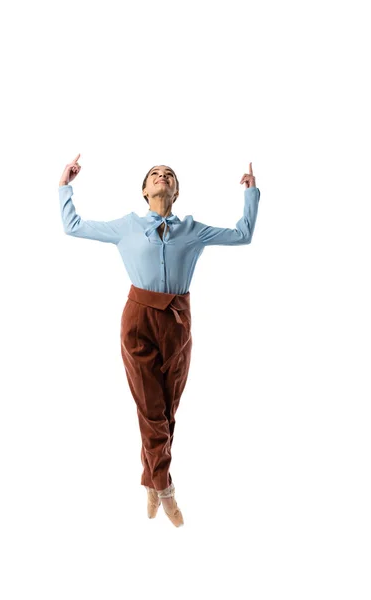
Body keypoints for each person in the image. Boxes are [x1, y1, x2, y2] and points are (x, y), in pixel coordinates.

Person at [58, 154, 261, 527]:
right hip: (139, 320)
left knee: (166, 411)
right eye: (155, 174)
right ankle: (165, 488)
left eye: (169, 174)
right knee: (152, 410)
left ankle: (150, 481)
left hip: (178, 323)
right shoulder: (127, 226)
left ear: (176, 191)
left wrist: (251, 194)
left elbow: (243, 235)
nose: (162, 176)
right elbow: (73, 226)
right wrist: (65, 186)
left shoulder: (193, 230)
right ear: (145, 191)